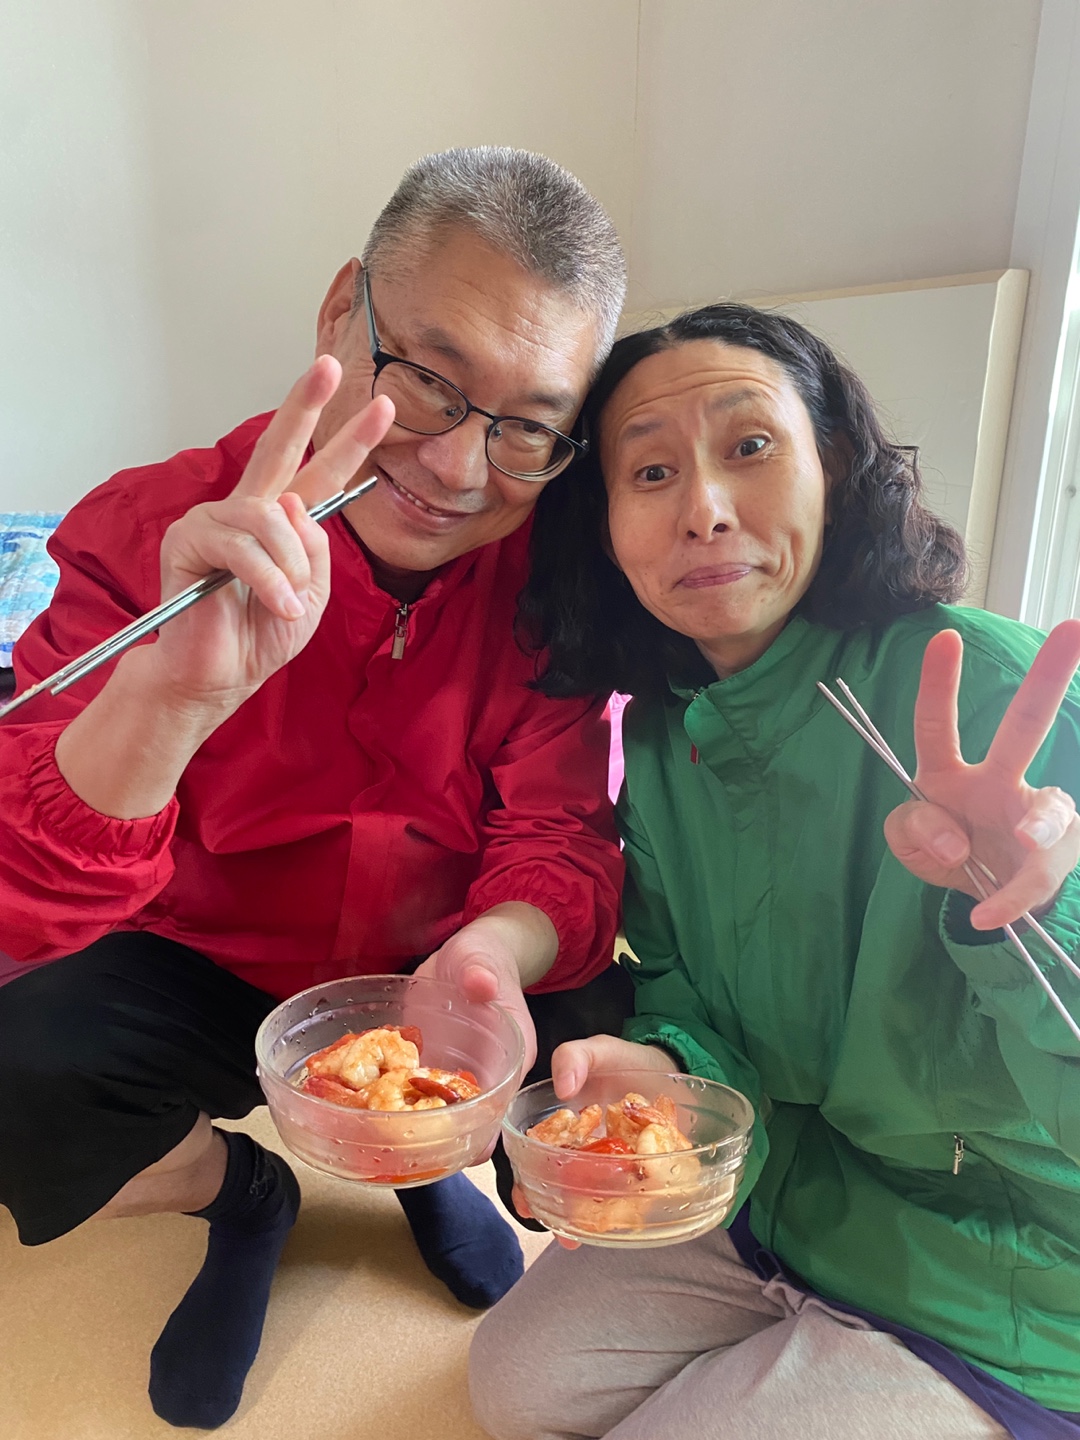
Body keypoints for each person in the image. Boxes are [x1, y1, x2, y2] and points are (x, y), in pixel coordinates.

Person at [0, 147, 633, 1429]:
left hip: (438, 955)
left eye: (526, 426)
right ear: (344, 307)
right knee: (21, 1071)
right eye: (431, 382)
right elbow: (21, 900)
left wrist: (485, 964)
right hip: (201, 955)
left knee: (615, 1026)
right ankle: (248, 1199)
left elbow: (561, 835)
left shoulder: (556, 582)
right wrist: (167, 704)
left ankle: (413, 1149)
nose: (460, 470)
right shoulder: (150, 529)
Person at [470, 303, 1080, 1440]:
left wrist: (1030, 920)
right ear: (606, 524)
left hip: (1015, 1270)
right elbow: (694, 997)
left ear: (832, 466)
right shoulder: (665, 728)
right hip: (790, 1189)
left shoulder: (985, 696)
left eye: (750, 446)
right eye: (651, 472)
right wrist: (664, 1066)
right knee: (516, 1385)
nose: (703, 509)